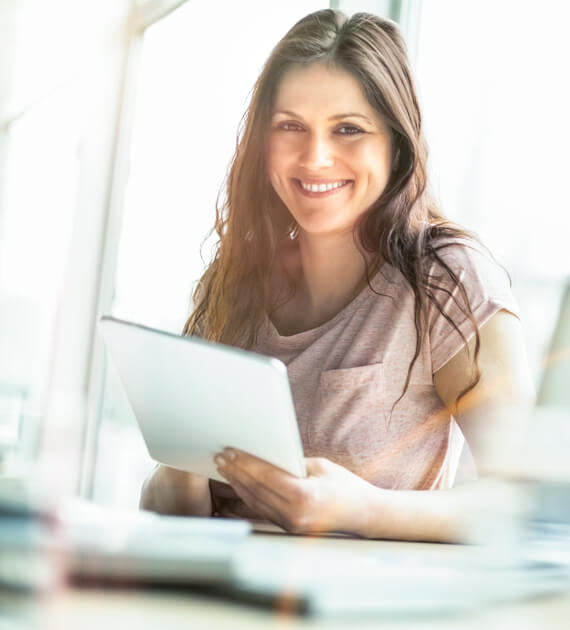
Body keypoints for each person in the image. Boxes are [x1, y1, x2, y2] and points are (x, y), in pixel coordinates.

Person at [140, 9, 534, 541]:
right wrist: (181, 475)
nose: (315, 157)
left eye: (348, 129)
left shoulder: (448, 282)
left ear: (395, 143)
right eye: (290, 127)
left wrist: (361, 509)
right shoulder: (231, 283)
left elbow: (519, 503)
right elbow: (174, 507)